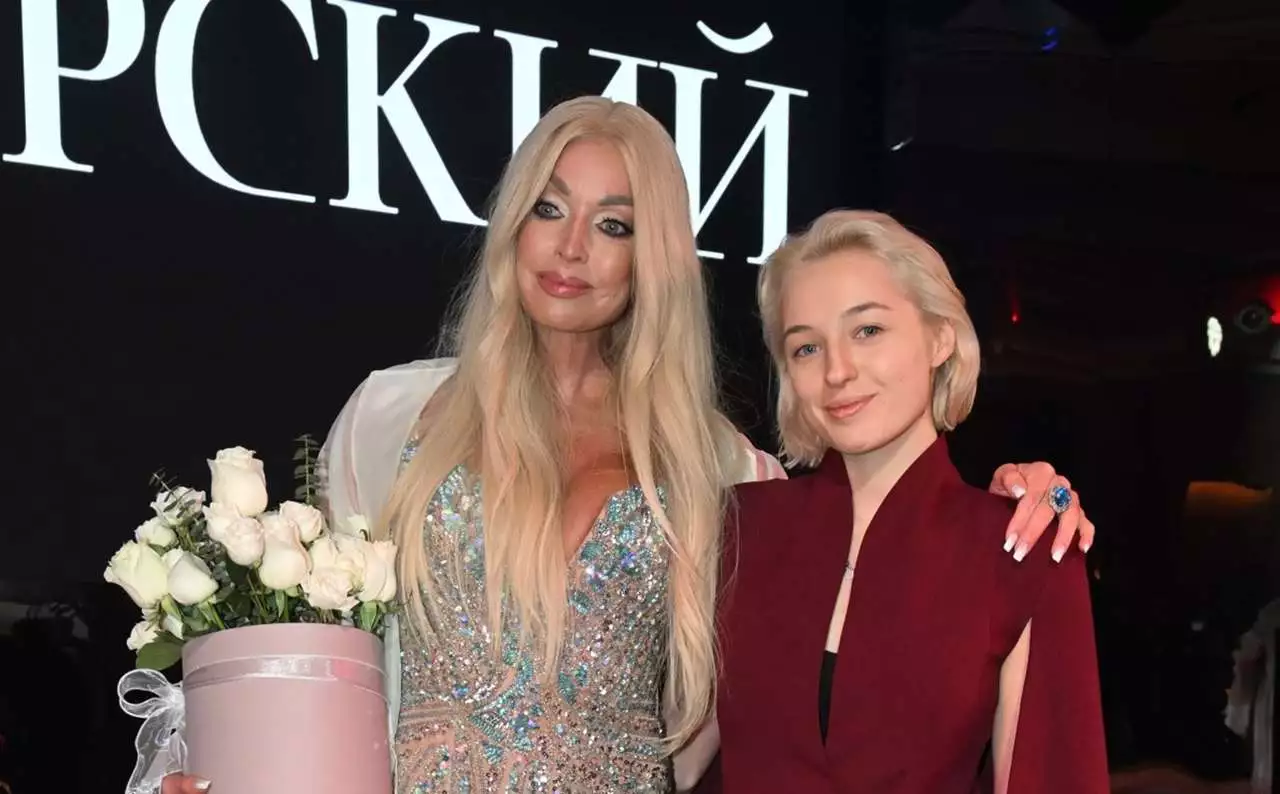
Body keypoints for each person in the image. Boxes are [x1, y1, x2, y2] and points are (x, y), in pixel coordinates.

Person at [158, 100, 1092, 794]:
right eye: (548, 208)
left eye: (613, 225)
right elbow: (304, 659)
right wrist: (234, 760)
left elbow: (861, 602)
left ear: (654, 260)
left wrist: (1026, 495)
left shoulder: (726, 475)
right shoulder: (390, 420)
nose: (572, 250)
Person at [709, 210, 1109, 793]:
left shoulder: (1020, 550)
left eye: (868, 330)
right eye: (807, 347)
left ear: (940, 337)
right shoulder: (737, 527)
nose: (838, 371)